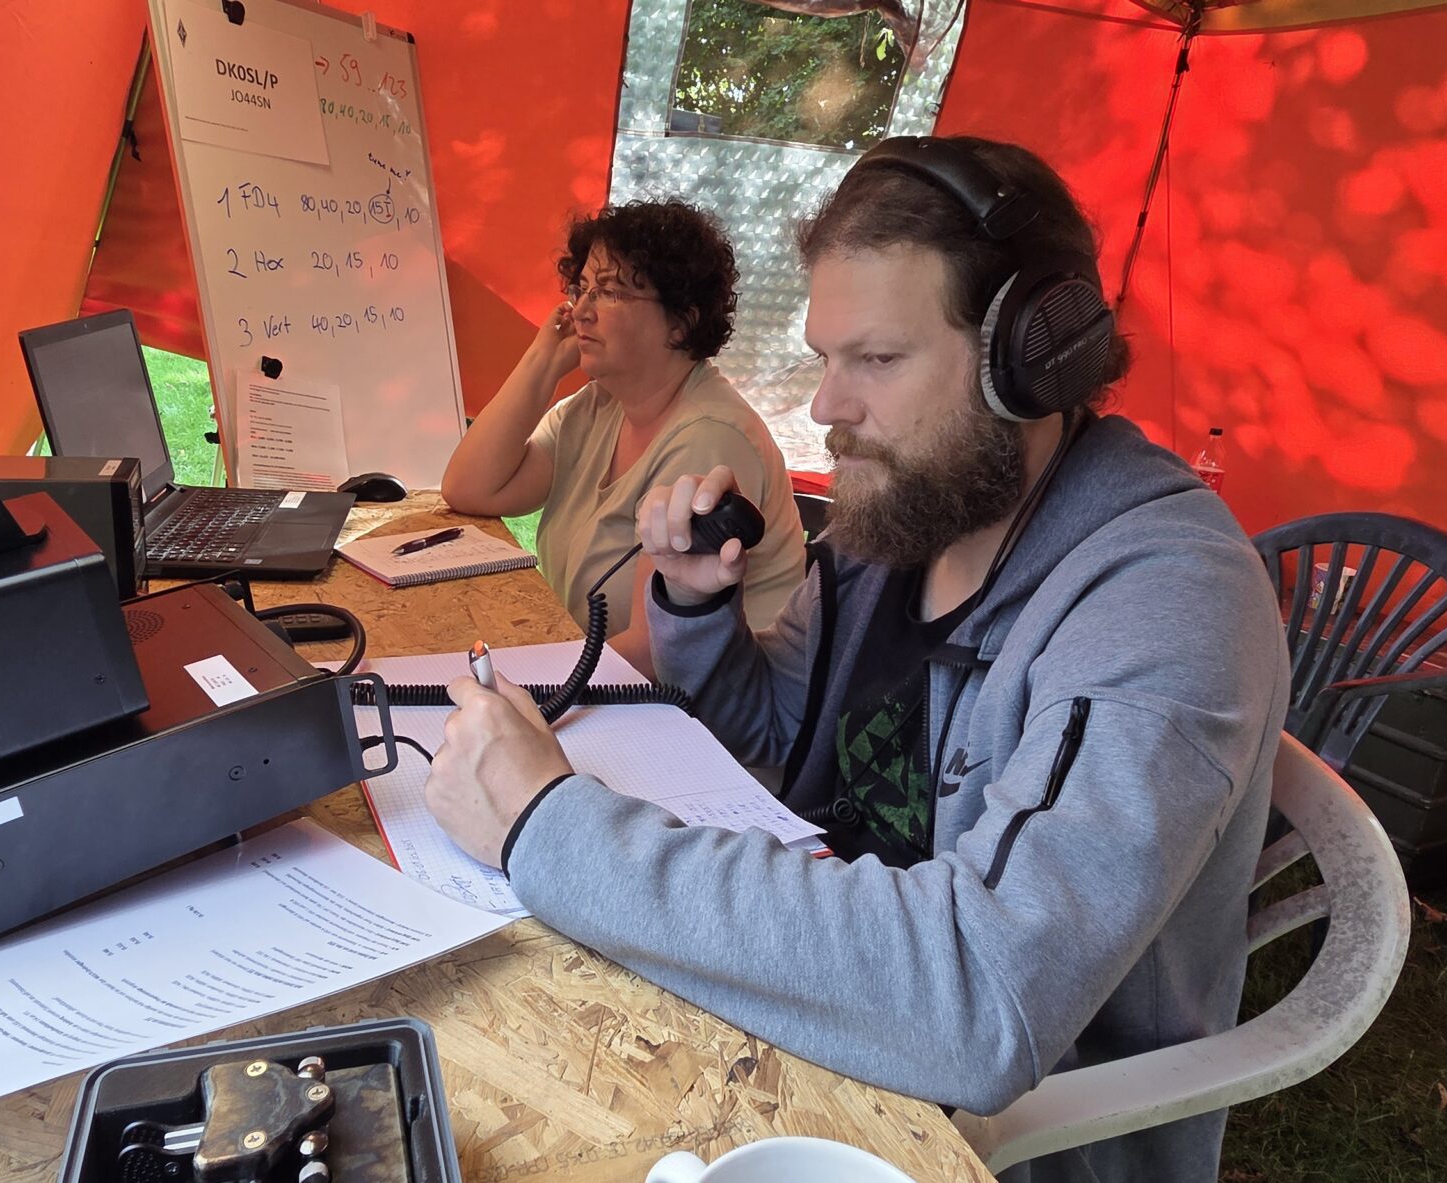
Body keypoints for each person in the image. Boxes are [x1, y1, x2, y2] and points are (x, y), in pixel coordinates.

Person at [421, 137, 1291, 1182]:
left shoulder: (1164, 599)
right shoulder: (903, 526)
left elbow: (984, 993)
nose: (827, 407)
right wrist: (697, 612)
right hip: (810, 1017)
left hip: (993, 1135)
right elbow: (775, 743)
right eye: (826, 358)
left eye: (875, 361)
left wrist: (547, 826)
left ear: (1031, 362)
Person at [440, 200, 804, 672]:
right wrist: (542, 362)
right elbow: (470, 489)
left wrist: (523, 684)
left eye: (609, 292)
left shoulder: (709, 437)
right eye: (581, 289)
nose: (580, 311)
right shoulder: (599, 407)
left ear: (682, 321)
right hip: (604, 679)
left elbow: (656, 652)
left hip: (691, 707)